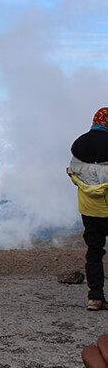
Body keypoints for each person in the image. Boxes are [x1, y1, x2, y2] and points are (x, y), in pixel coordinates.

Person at [69, 107, 108, 310]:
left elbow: (75, 174)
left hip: (89, 209)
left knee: (94, 251)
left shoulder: (79, 145)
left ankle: (95, 297)